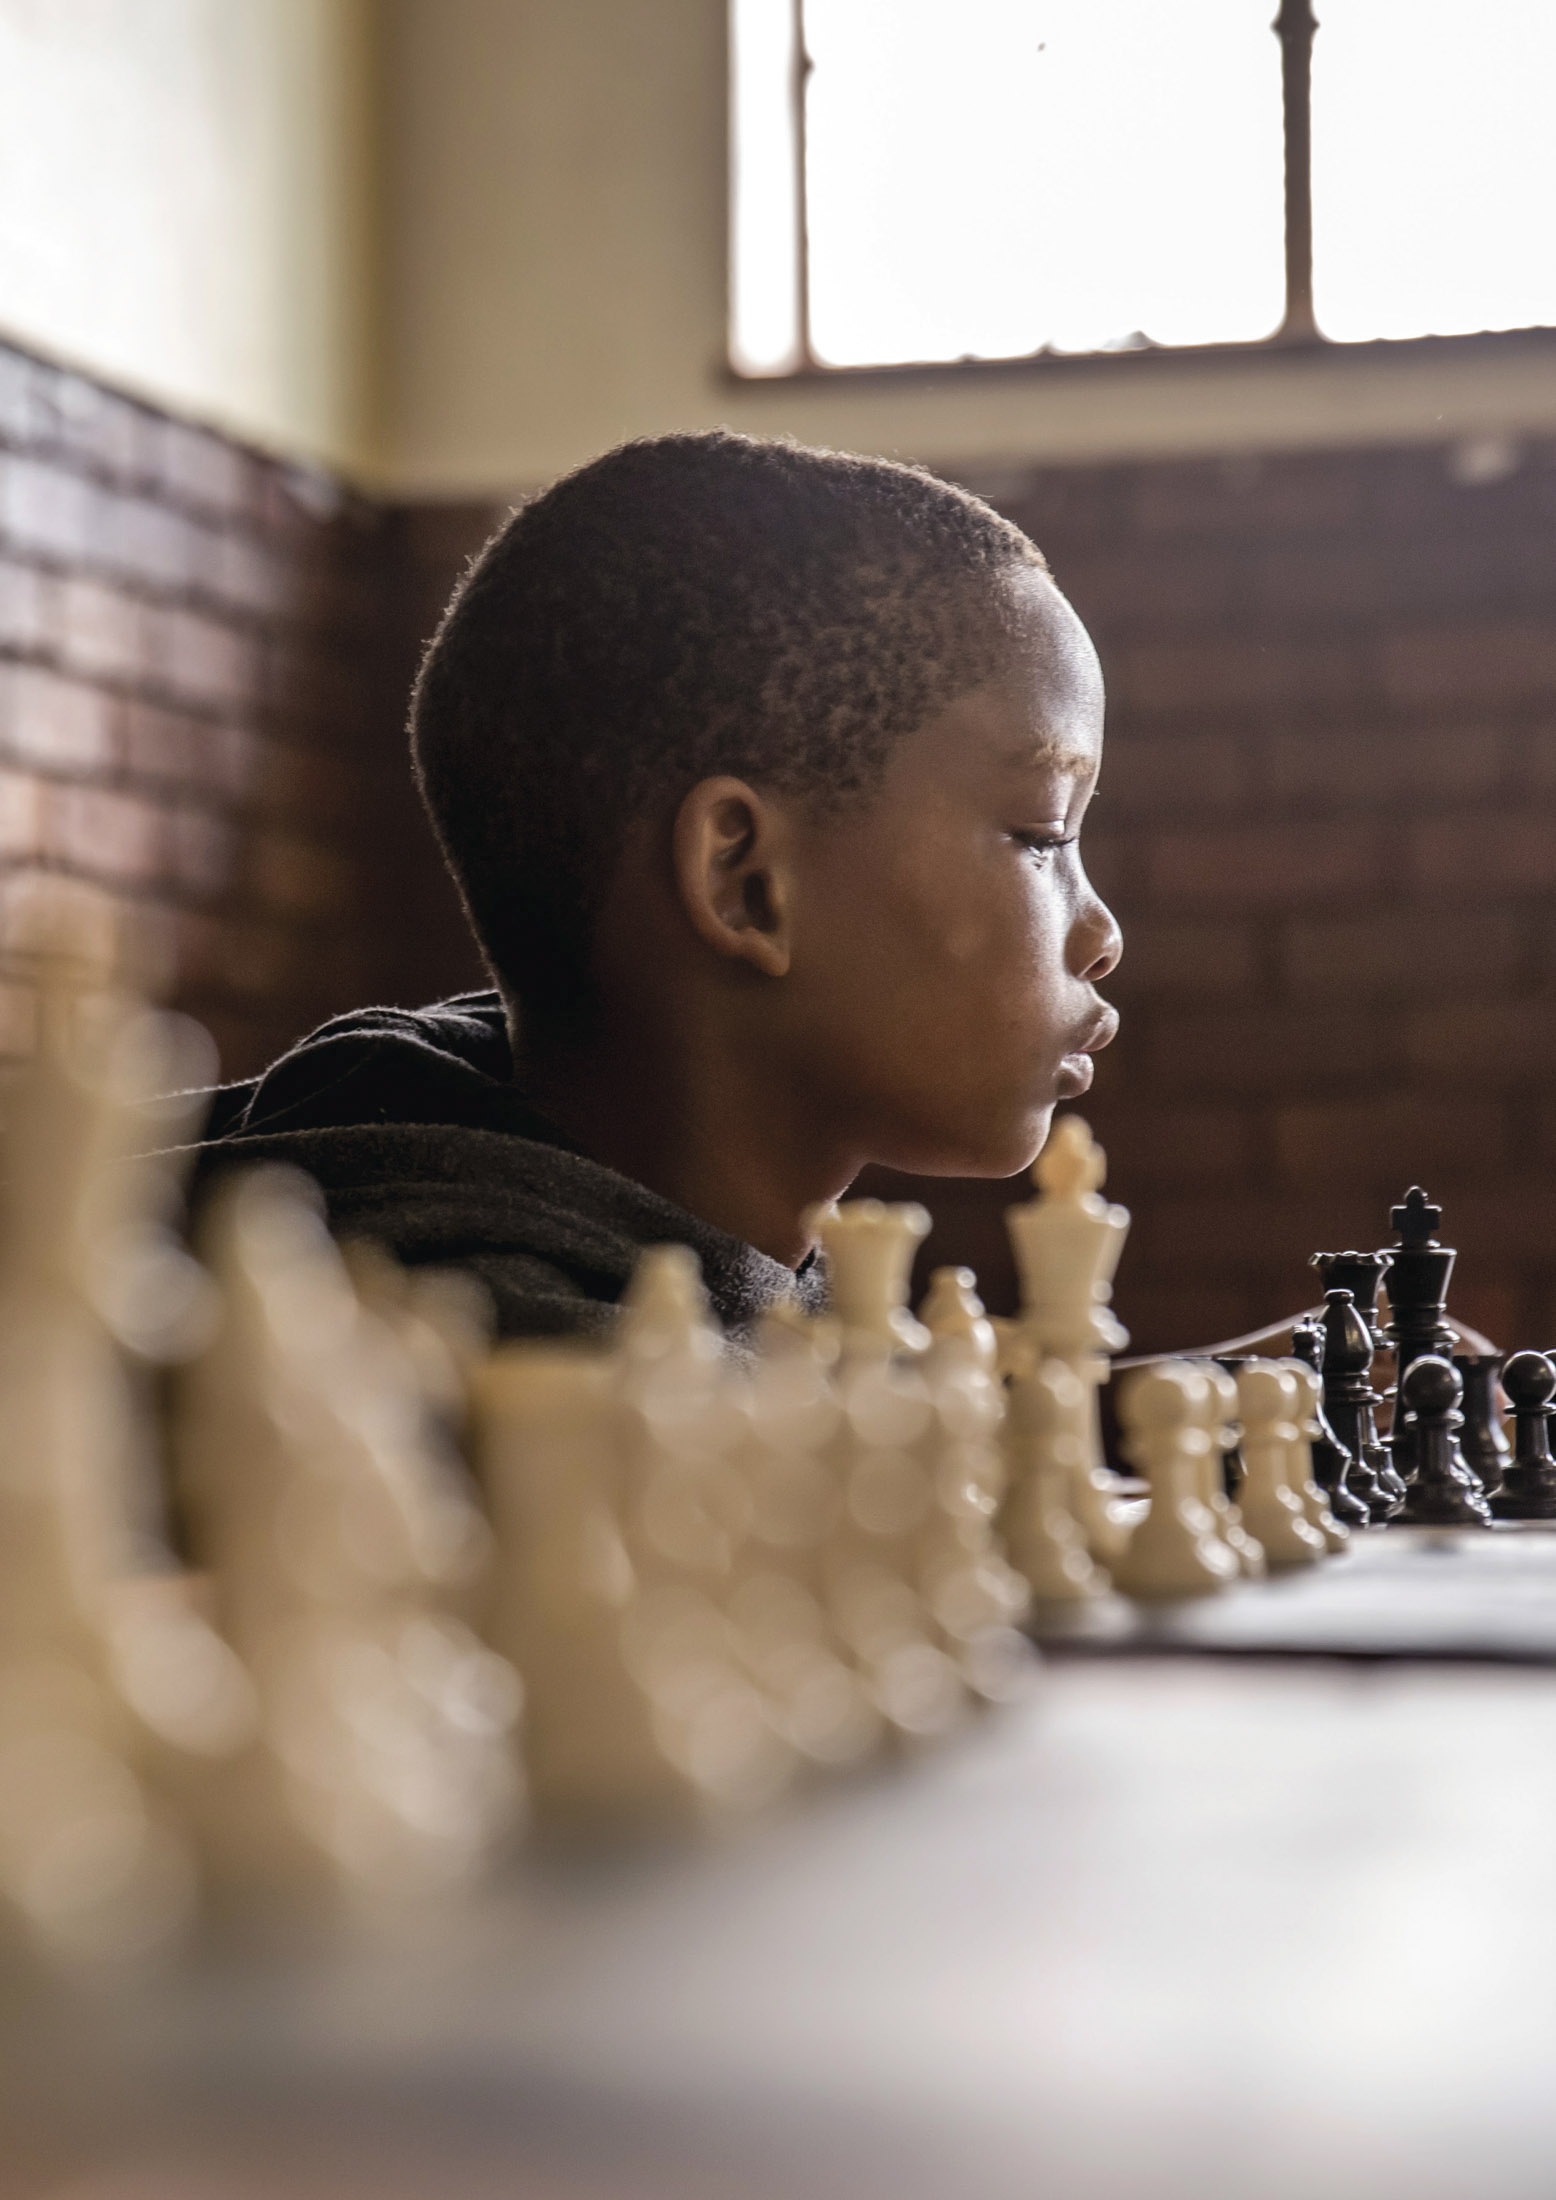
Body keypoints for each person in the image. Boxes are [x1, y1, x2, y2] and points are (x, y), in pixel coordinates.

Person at [193, 431, 1121, 1342]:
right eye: (1041, 833)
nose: (1101, 933)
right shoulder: (493, 1380)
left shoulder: (754, 1303)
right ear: (746, 882)